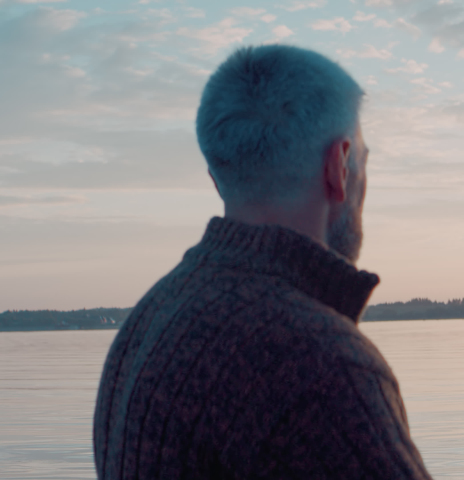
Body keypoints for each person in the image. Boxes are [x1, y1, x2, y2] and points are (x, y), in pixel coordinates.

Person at [93, 45, 432, 479]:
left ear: (218, 179)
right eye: (362, 162)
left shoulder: (150, 320)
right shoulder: (320, 365)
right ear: (339, 165)